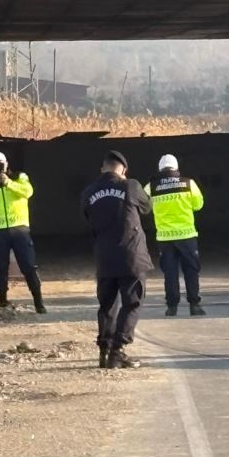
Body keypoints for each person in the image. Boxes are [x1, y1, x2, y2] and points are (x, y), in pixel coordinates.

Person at [81, 150, 153, 369]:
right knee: (132, 302)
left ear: (103, 168)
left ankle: (104, 349)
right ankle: (118, 349)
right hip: (131, 256)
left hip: (104, 257)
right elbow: (147, 207)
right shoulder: (130, 186)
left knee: (107, 305)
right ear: (122, 169)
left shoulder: (89, 192)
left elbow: (87, 218)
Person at [0, 151, 46, 313]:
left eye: (0, 164)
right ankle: (2, 301)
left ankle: (39, 301)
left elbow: (28, 192)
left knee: (28, 266)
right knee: (1, 267)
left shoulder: (18, 177)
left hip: (19, 229)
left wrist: (8, 183)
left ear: (6, 164)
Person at [144, 154, 206, 317]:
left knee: (170, 273)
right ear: (176, 167)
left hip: (165, 238)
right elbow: (198, 205)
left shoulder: (152, 187)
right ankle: (194, 305)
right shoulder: (188, 183)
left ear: (160, 169)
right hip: (187, 236)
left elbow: (144, 206)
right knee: (191, 270)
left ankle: (172, 307)